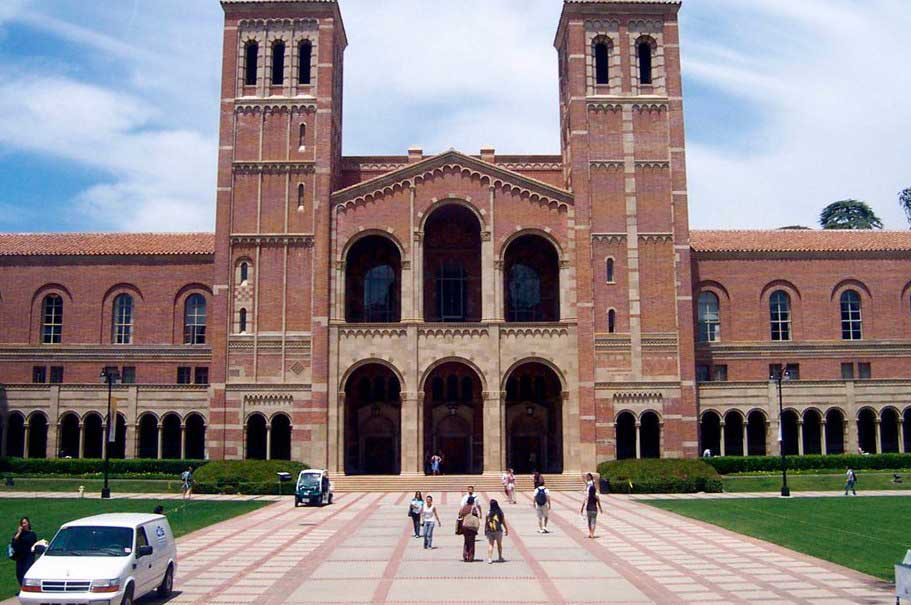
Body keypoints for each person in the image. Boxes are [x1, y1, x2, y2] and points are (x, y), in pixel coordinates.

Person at [11, 517, 37, 586]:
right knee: (19, 574)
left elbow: (32, 543)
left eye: (25, 523)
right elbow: (13, 542)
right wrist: (19, 533)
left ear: (28, 523)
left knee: (26, 572)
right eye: (22, 523)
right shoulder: (18, 534)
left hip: (28, 556)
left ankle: (28, 588)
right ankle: (22, 588)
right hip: (19, 556)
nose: (23, 525)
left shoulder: (32, 534)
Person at [458, 495, 481, 562]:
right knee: (471, 542)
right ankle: (470, 557)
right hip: (471, 526)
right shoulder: (473, 507)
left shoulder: (464, 507)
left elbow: (460, 514)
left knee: (466, 541)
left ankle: (465, 555)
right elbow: (475, 515)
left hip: (464, 526)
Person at [484, 499, 508, 564]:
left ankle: (489, 559)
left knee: (490, 544)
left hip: (490, 530)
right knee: (499, 544)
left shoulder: (488, 512)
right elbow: (503, 521)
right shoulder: (499, 512)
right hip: (498, 530)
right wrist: (506, 529)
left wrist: (485, 530)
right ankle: (500, 557)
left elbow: (486, 522)